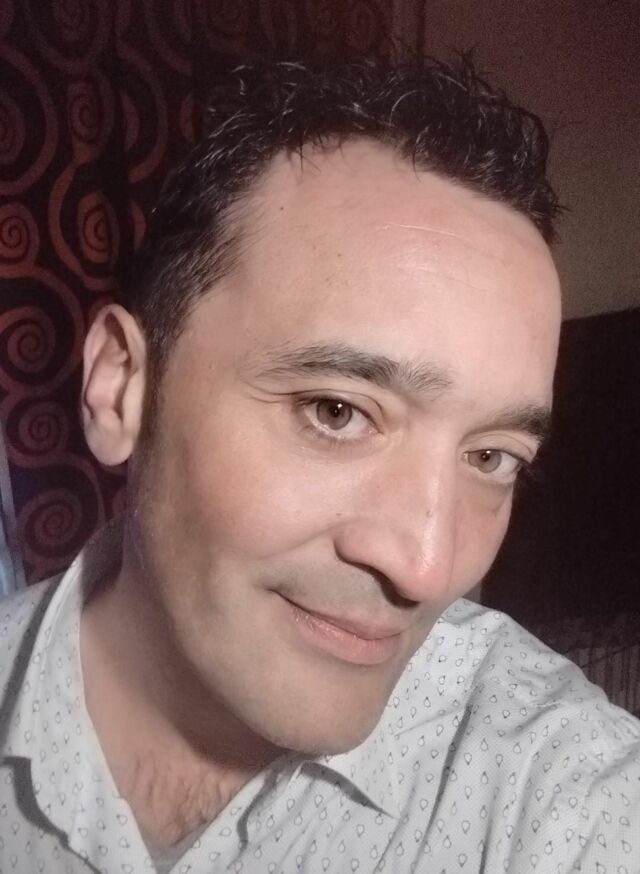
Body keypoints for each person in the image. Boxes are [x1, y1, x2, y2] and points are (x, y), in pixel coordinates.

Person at [1, 56, 639, 874]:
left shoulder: (563, 796)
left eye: (491, 457)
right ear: (121, 387)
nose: (428, 567)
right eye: (337, 412)